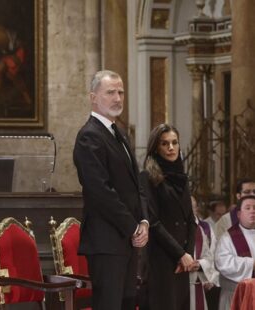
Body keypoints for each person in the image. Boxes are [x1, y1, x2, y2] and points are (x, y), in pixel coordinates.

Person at [73, 70, 148, 310]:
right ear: (93, 97)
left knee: (127, 304)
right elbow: (101, 192)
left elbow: (137, 186)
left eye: (121, 92)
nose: (118, 98)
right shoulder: (89, 136)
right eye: (110, 92)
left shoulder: (119, 133)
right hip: (106, 241)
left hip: (126, 240)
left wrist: (144, 221)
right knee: (109, 305)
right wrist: (133, 227)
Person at [139, 123, 196, 310]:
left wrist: (187, 254)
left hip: (182, 261)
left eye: (174, 142)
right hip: (161, 257)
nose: (171, 147)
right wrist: (180, 254)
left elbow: (190, 220)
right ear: (156, 147)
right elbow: (153, 222)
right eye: (165, 143)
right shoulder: (147, 177)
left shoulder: (182, 177)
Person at [214, 195, 255, 310]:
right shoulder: (228, 237)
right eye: (247, 208)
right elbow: (222, 262)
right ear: (238, 214)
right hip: (235, 295)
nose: (252, 211)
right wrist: (251, 264)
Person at [191, 196, 220, 310]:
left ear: (196, 209)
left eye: (191, 207)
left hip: (200, 280)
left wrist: (209, 276)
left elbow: (213, 253)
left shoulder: (205, 228)